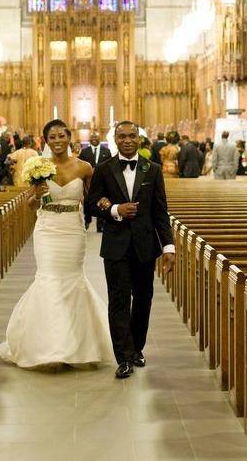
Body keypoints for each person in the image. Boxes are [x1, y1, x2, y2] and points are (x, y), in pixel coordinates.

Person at [0, 119, 112, 368]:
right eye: (52, 137)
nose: (57, 141)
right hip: (47, 229)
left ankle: (76, 344)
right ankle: (51, 347)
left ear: (69, 137)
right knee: (49, 279)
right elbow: (30, 204)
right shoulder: (39, 166)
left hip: (72, 229)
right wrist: (35, 197)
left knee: (72, 280)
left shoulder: (84, 168)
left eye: (61, 136)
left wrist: (111, 208)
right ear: (46, 140)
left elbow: (94, 200)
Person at [85, 120, 175, 379]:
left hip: (145, 246)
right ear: (114, 139)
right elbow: (91, 204)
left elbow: (160, 211)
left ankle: (137, 348)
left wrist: (168, 246)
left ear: (139, 139)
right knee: (119, 301)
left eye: (131, 136)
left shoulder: (153, 169)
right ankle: (123, 357)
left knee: (143, 300)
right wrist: (115, 210)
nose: (126, 140)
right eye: (121, 136)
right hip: (115, 245)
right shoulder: (103, 169)